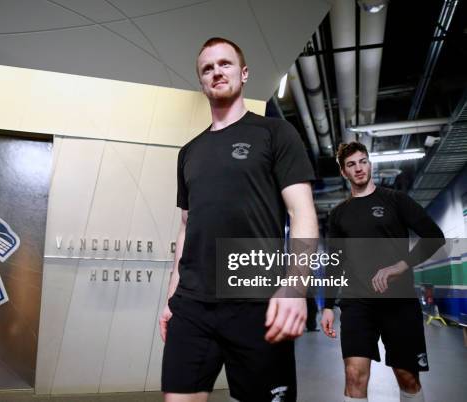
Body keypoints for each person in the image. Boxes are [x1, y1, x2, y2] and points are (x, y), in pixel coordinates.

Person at [159, 37, 318, 402]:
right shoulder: (189, 152)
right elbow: (187, 227)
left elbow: (302, 213)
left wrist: (295, 285)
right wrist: (172, 296)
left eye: (225, 64)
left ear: (243, 73)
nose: (216, 72)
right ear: (201, 82)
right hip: (193, 305)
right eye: (207, 68)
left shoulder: (275, 134)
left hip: (256, 302)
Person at [320, 142, 445, 402]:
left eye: (363, 161)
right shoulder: (338, 214)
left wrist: (401, 265)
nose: (359, 168)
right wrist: (328, 306)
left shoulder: (396, 200)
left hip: (398, 301)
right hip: (357, 303)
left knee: (407, 376)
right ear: (344, 172)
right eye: (351, 164)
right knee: (354, 374)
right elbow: (335, 261)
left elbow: (434, 236)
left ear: (370, 163)